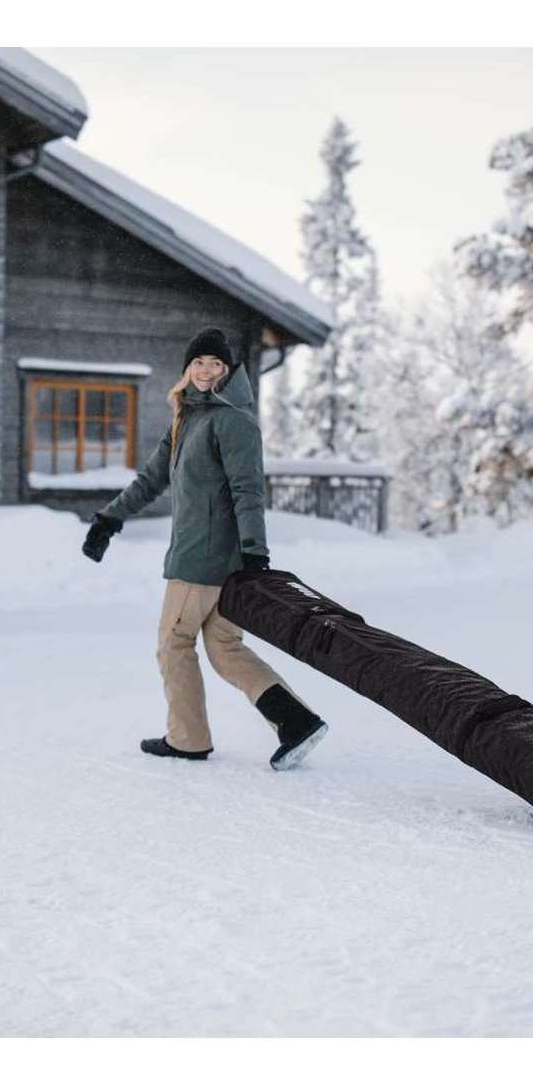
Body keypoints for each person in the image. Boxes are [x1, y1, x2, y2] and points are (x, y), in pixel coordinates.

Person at [81, 326, 329, 771]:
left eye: (216, 364)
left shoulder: (232, 419)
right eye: (199, 362)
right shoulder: (188, 416)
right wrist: (109, 518)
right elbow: (151, 479)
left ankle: (188, 738)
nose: (206, 370)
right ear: (187, 368)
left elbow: (248, 489)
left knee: (173, 643)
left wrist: (255, 553)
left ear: (228, 370)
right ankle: (296, 721)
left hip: (203, 559)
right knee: (224, 647)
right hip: (211, 556)